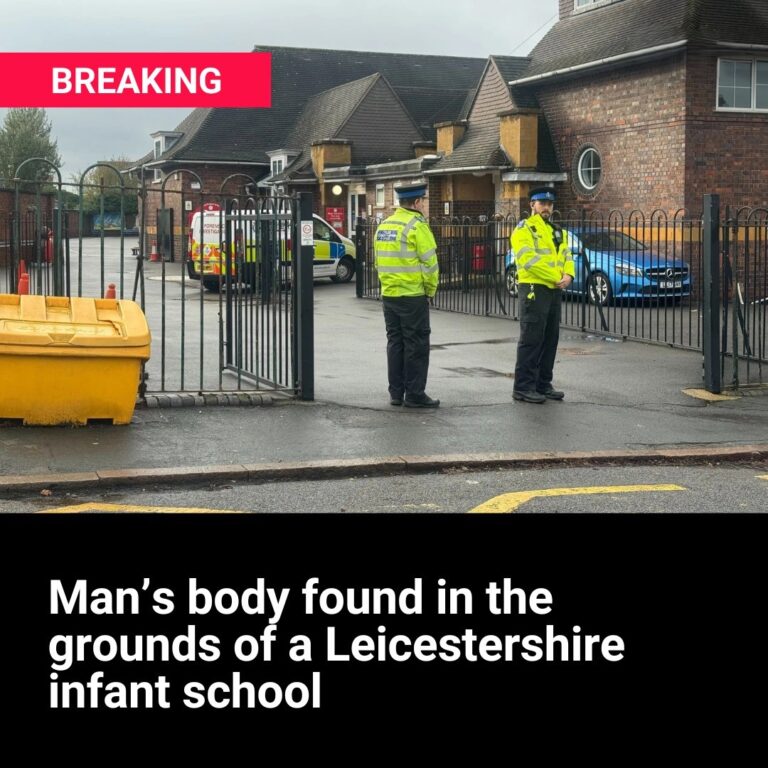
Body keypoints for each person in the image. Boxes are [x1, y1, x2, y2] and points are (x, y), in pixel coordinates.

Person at [374, 181, 440, 408]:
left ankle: (396, 393)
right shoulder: (418, 226)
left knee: (395, 343)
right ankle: (415, 394)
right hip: (413, 296)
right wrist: (430, 291)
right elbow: (430, 265)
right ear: (417, 202)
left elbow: (377, 262)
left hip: (389, 295)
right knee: (416, 345)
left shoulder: (384, 226)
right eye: (423, 201)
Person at [511, 186, 575, 404]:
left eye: (549, 204)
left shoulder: (557, 231)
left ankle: (543, 383)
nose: (546, 207)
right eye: (542, 203)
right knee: (531, 338)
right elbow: (528, 260)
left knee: (550, 338)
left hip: (554, 289)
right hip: (534, 288)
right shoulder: (524, 230)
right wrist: (556, 277)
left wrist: (569, 275)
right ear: (532, 205)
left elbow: (567, 254)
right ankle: (523, 387)